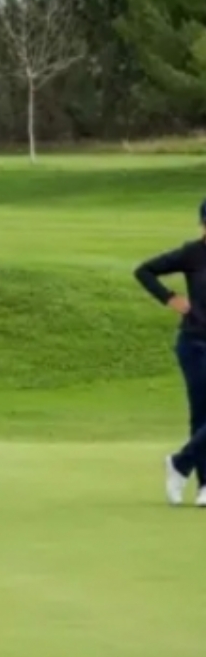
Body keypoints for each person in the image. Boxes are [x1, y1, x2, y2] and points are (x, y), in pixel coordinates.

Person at [134, 199, 206, 506]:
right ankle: (203, 483)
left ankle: (180, 465)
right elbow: (145, 271)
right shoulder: (192, 253)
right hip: (195, 343)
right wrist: (170, 298)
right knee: (201, 415)